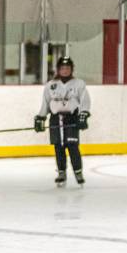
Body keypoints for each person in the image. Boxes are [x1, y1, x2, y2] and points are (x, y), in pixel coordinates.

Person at [35, 56, 91, 187]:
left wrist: (83, 114)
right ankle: (61, 173)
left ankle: (78, 173)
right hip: (55, 119)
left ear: (71, 69)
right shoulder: (50, 85)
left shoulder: (79, 84)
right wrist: (41, 117)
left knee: (72, 147)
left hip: (71, 118)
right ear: (58, 69)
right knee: (58, 148)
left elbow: (84, 101)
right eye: (62, 68)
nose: (65, 70)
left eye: (67, 68)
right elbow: (46, 103)